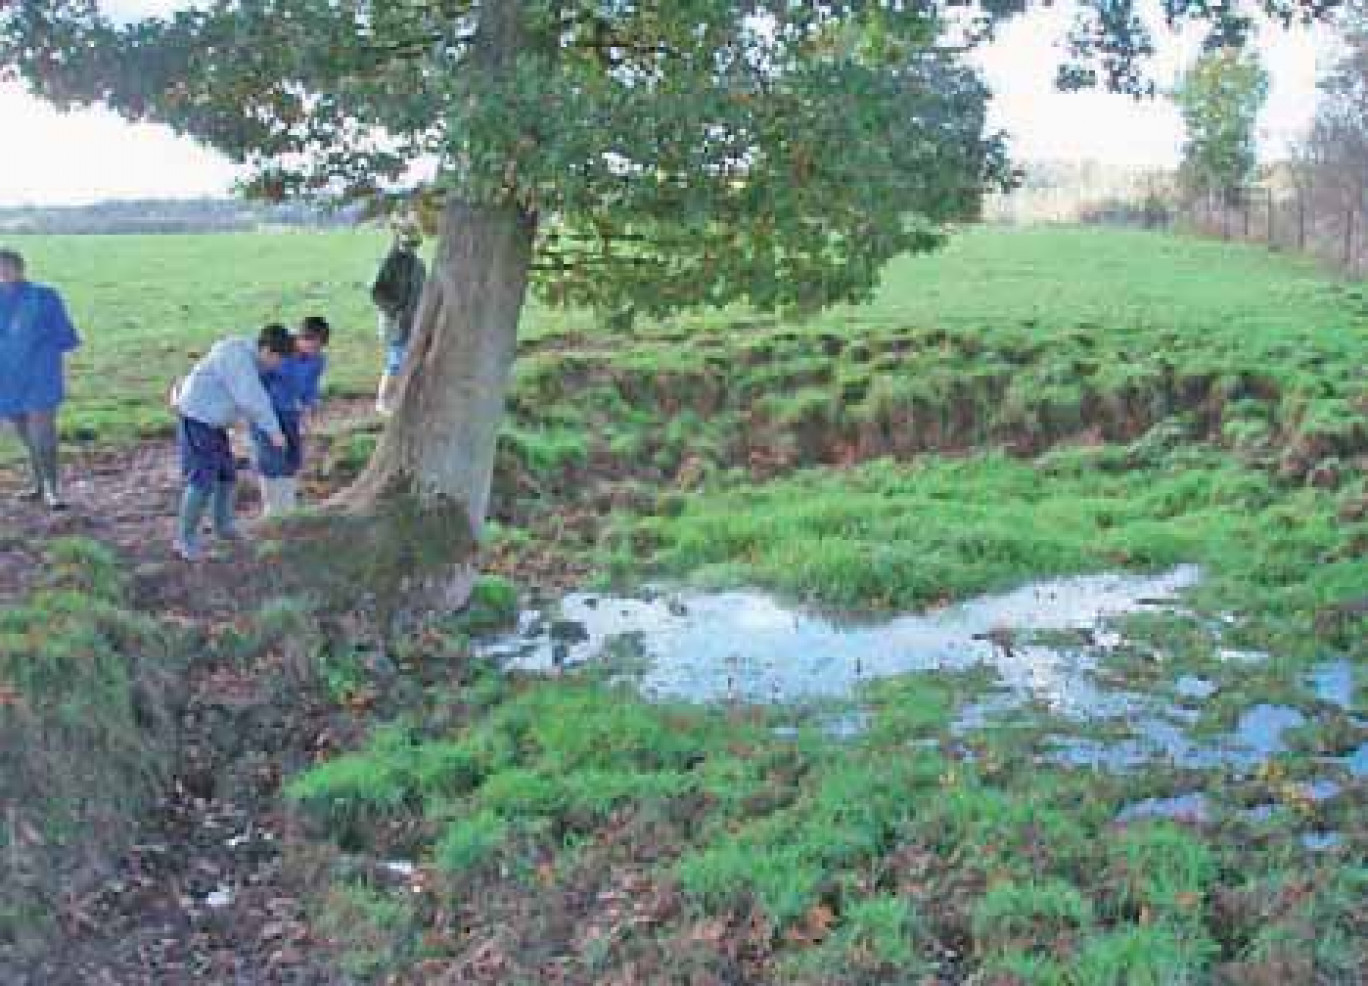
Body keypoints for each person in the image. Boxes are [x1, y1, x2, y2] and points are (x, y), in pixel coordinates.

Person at [171, 324, 292, 561]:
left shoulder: (249, 356)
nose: (279, 364)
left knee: (227, 476)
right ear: (266, 350)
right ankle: (185, 539)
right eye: (278, 358)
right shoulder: (238, 359)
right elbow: (251, 398)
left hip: (215, 423)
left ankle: (223, 525)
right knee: (202, 479)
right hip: (197, 418)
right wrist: (274, 432)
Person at [0, 249, 81, 510]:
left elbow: (65, 336)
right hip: (7, 377)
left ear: (20, 268)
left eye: (7, 267)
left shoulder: (45, 297)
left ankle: (52, 489)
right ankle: (38, 484)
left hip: (39, 374)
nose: (3, 273)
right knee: (24, 432)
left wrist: (42, 347)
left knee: (43, 433)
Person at [250, 315, 330, 516]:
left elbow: (311, 386)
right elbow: (259, 379)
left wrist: (310, 404)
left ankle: (287, 504)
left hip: (291, 414)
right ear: (300, 338)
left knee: (292, 457)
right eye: (311, 345)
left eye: (319, 347)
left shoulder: (317, 361)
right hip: (267, 412)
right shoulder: (280, 351)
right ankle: (272, 507)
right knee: (270, 459)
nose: (314, 351)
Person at [370, 216, 426, 416]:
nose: (411, 246)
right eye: (408, 242)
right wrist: (395, 311)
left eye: (414, 243)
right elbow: (376, 293)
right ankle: (383, 401)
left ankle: (402, 400)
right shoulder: (390, 263)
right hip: (395, 322)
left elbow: (422, 293)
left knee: (409, 359)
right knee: (396, 360)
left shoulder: (419, 266)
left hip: (414, 321)